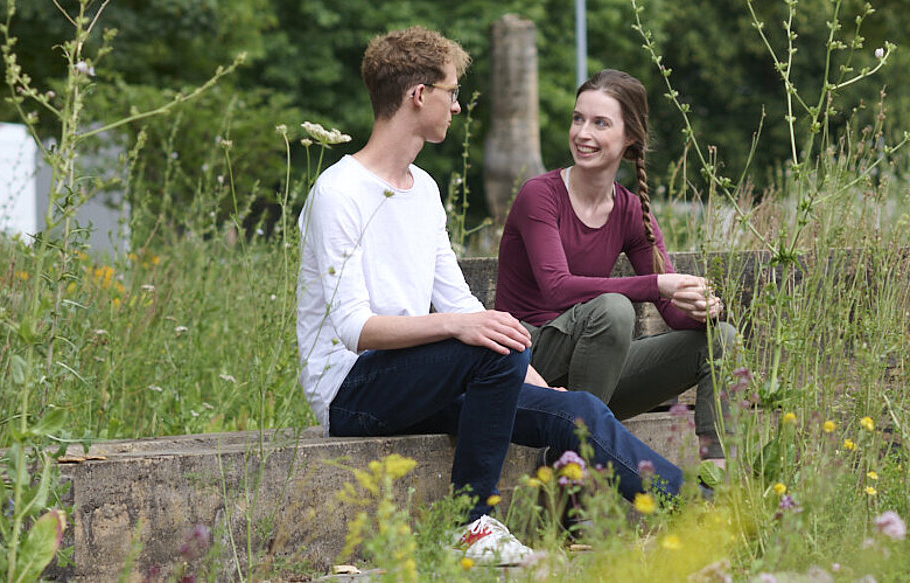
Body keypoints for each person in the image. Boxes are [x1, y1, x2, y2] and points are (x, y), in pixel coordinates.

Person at [296, 29, 684, 566]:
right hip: (353, 391)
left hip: (419, 380)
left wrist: (533, 378)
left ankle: (701, 509)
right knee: (484, 341)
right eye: (451, 92)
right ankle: (471, 524)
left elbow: (464, 303)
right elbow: (354, 329)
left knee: (576, 409)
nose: (456, 105)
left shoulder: (424, 189)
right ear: (418, 95)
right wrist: (461, 329)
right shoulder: (338, 192)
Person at [495, 69, 738, 462]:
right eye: (578, 119)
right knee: (613, 310)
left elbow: (675, 316)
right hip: (526, 362)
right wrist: (659, 284)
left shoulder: (630, 210)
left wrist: (704, 309)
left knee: (720, 339)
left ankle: (718, 480)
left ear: (630, 138)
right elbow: (557, 287)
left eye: (600, 123)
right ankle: (570, 455)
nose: (582, 133)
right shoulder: (540, 195)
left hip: (594, 373)